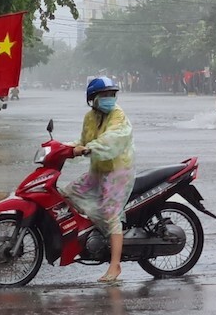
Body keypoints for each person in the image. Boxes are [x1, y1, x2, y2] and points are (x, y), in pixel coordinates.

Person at [63, 77, 135, 284]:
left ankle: (115, 266)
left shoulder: (118, 115)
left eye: (112, 95)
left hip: (118, 171)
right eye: (104, 95)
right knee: (69, 193)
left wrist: (88, 149)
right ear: (92, 98)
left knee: (110, 214)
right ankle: (90, 234)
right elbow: (83, 141)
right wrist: (64, 148)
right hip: (98, 169)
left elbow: (113, 138)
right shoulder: (89, 117)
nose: (109, 99)